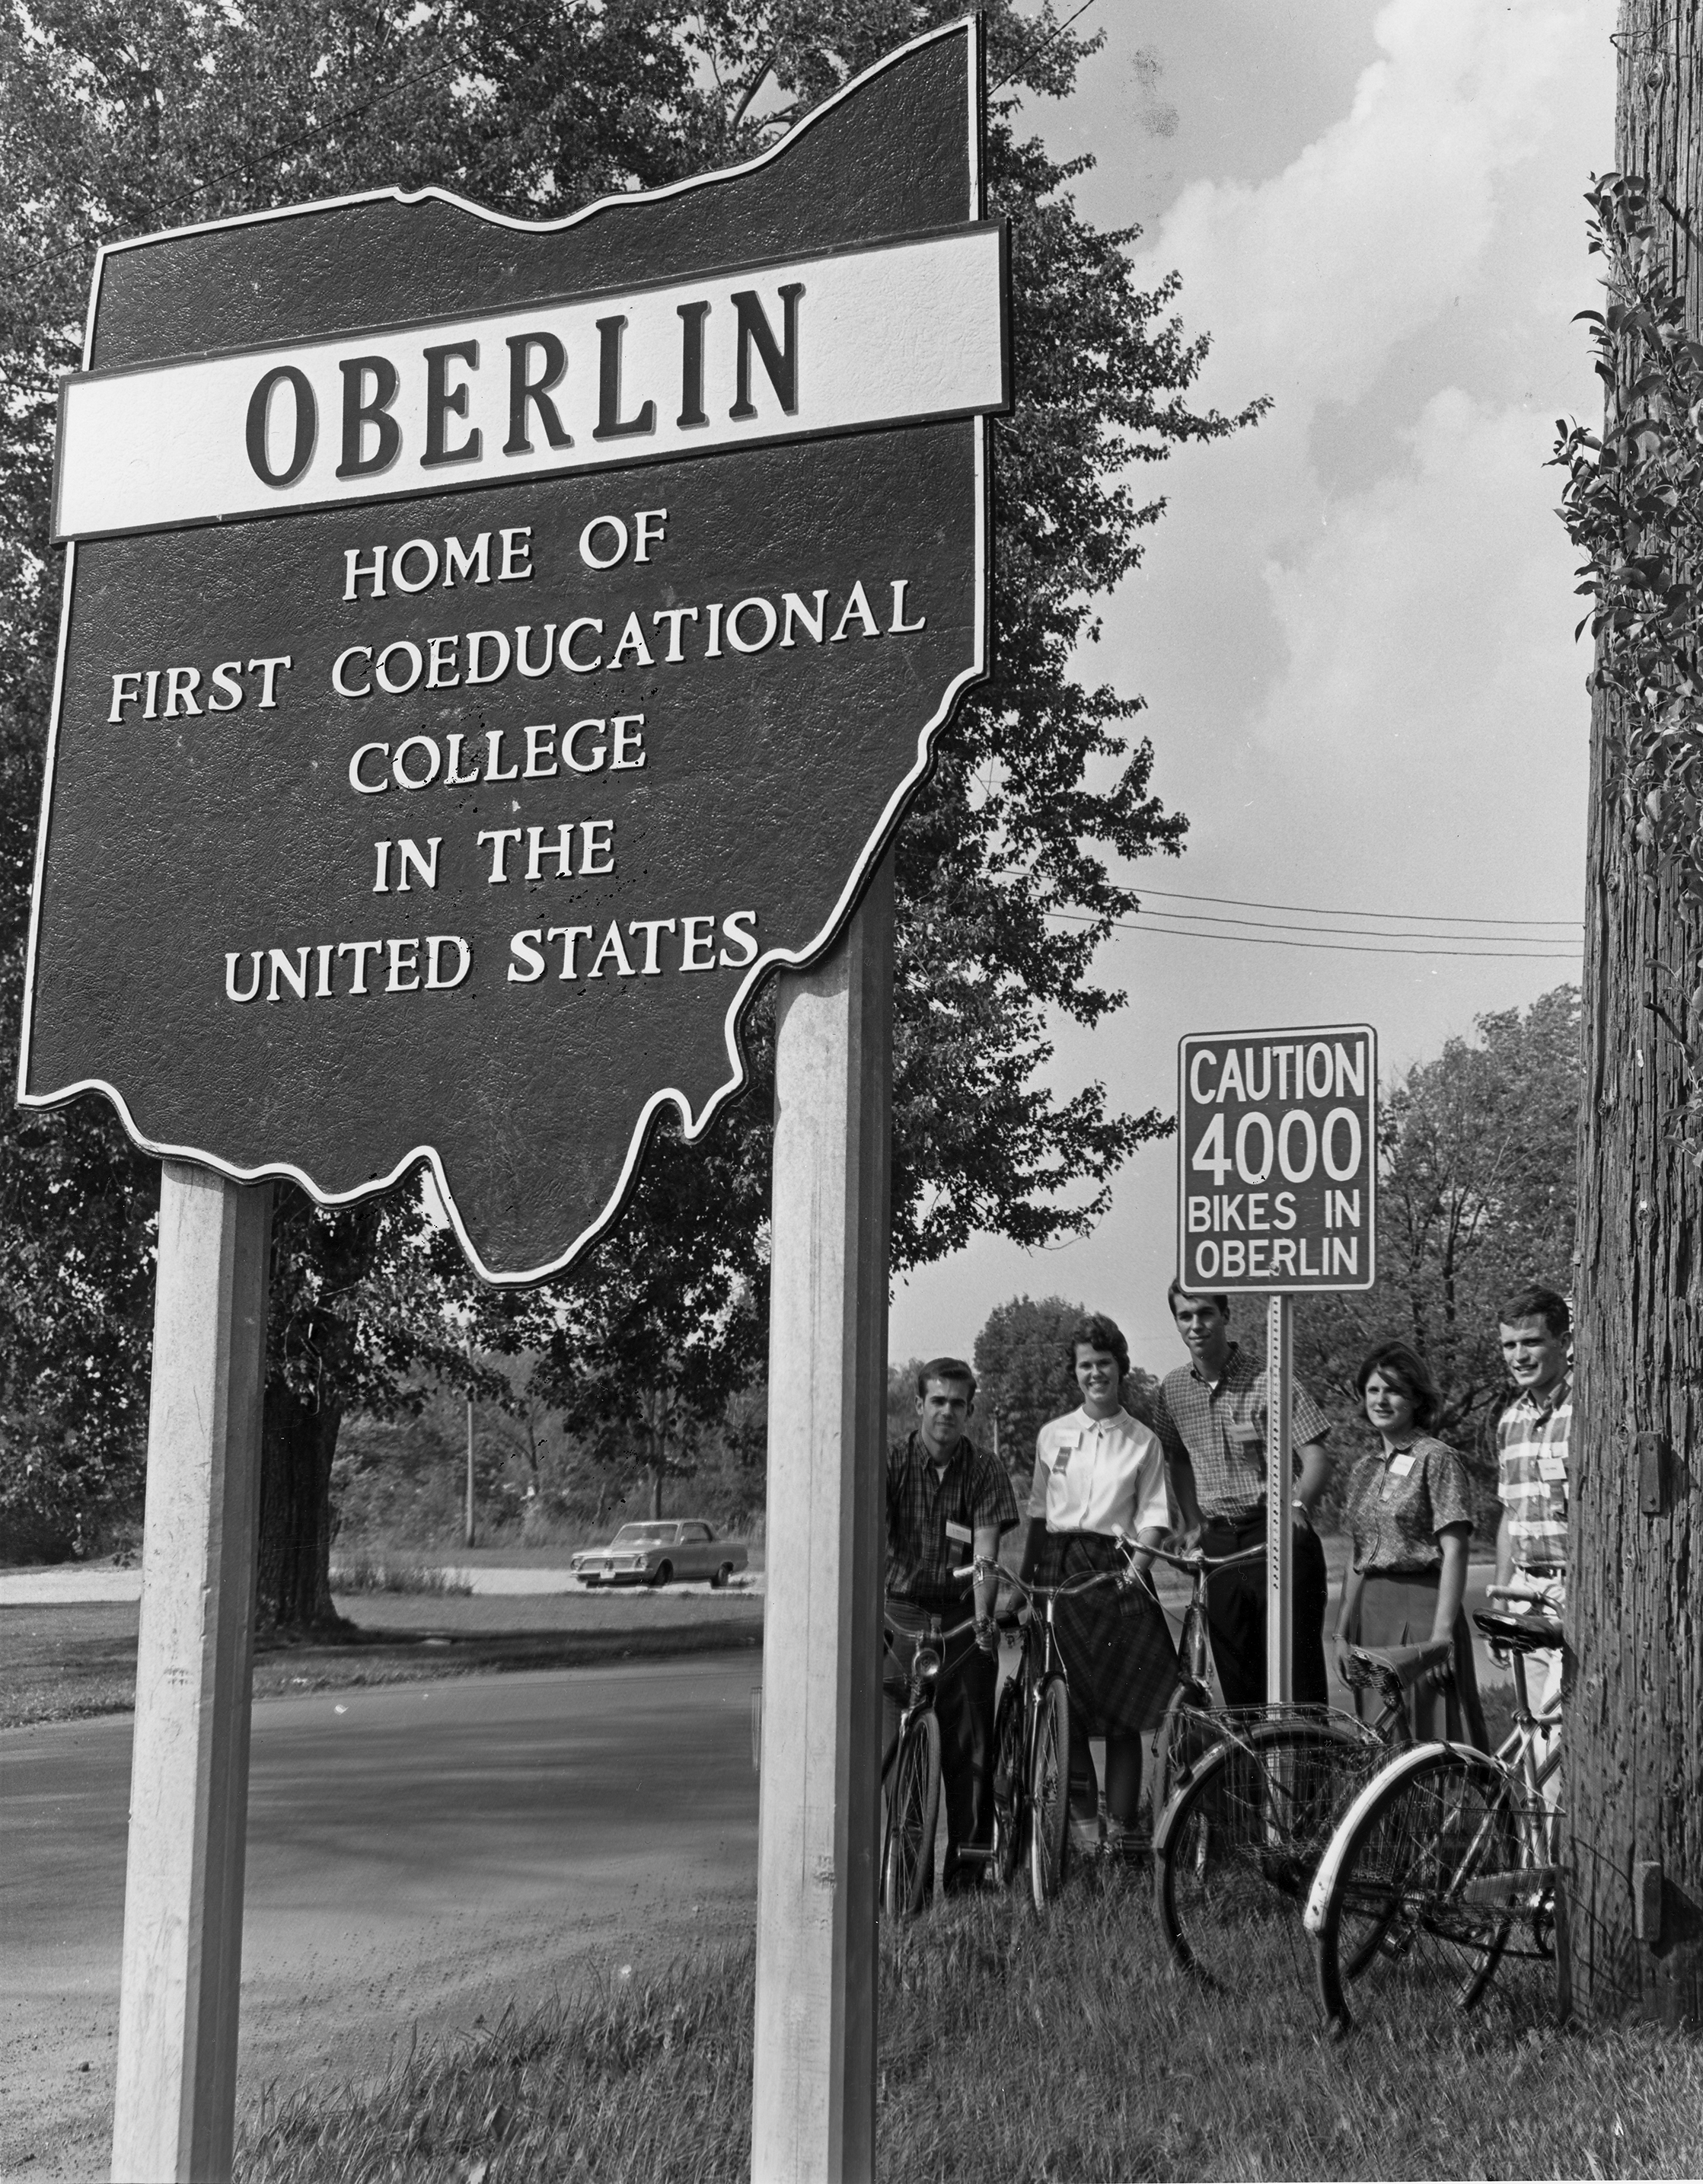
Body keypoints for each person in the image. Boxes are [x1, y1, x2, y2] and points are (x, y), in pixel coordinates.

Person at [1017, 1314, 1178, 1866]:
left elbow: (1155, 1513)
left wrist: (1136, 1568)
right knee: (1072, 1716)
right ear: (1075, 1373)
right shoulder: (1052, 1435)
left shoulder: (1142, 1440)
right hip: (1060, 1570)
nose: (1095, 1374)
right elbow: (1039, 1513)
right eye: (1085, 1365)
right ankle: (1086, 1838)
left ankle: (1124, 1833)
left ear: (1121, 1369)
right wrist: (1026, 1585)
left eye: (1104, 1364)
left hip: (1117, 1571)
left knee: (1122, 1715)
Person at [1150, 1282, 1333, 1706]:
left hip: (1274, 1534)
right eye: (1185, 1316)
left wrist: (1297, 1504)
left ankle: (1310, 1772)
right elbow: (1175, 1458)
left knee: (1297, 1680)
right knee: (1240, 1688)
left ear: (1225, 1315)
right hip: (1219, 1546)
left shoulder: (1271, 1377)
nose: (1196, 1325)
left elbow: (1317, 1457)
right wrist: (1190, 1520)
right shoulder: (1172, 1389)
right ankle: (1254, 1773)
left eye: (1205, 1313)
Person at [885, 1357, 1019, 1895]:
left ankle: (967, 1881)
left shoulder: (984, 1469)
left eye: (957, 1403)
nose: (946, 1412)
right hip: (901, 1612)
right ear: (918, 1404)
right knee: (901, 1758)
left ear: (969, 1409)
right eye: (937, 1401)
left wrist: (985, 1616)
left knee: (971, 1756)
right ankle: (903, 1885)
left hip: (963, 1617)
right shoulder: (890, 1461)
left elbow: (985, 1551)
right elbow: (872, 1538)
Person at [1331, 1341, 1488, 1748]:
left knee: (1433, 1733)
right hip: (1371, 1615)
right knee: (1379, 1735)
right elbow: (1358, 1556)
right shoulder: (1363, 1469)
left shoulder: (1438, 1458)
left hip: (1422, 1611)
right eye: (1373, 1390)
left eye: (1394, 1390)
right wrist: (1341, 1633)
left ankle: (1453, 1815)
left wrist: (1440, 1640)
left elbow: (1455, 1550)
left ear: (1417, 1398)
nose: (1382, 1400)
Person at [1492, 1285, 1571, 1767]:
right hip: (1524, 1588)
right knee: (1530, 1741)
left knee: (1557, 1745)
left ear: (1564, 1342)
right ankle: (1535, 1845)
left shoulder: (1589, 1408)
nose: (1519, 1356)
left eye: (1531, 1342)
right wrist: (1502, 1592)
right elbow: (1509, 1515)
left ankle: (1560, 1841)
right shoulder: (1510, 1420)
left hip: (1571, 1589)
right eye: (1509, 1345)